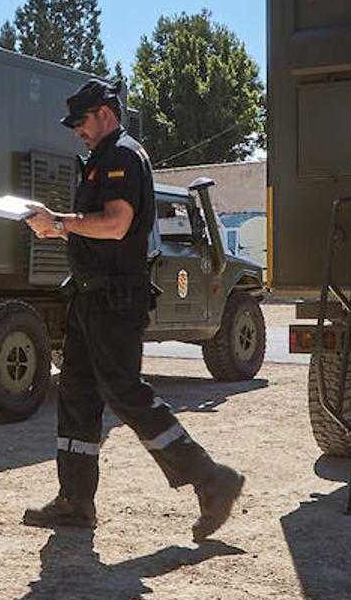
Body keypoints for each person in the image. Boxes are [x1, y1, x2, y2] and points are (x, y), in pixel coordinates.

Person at [23, 79, 245, 541]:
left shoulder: (123, 154)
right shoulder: (101, 159)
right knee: (77, 393)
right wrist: (57, 228)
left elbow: (119, 223)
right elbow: (98, 230)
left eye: (81, 122)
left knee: (124, 392)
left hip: (115, 298)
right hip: (90, 295)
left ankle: (212, 479)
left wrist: (62, 221)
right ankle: (75, 502)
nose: (77, 132)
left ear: (105, 112)